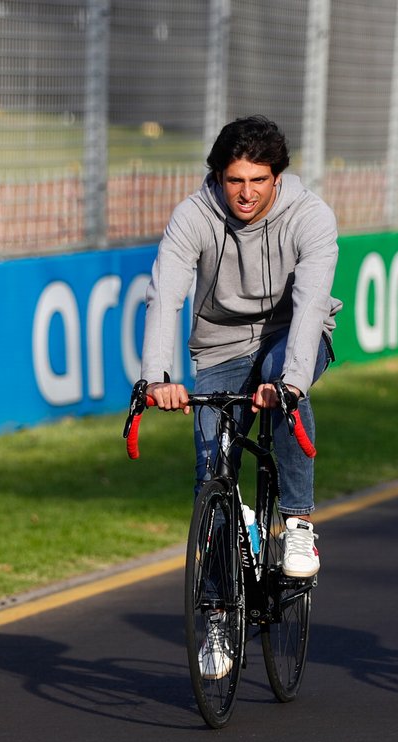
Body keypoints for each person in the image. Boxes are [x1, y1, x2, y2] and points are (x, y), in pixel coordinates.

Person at [140, 115, 340, 676]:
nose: (246, 193)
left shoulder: (311, 216)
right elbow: (165, 296)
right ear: (217, 177)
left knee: (283, 388)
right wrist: (158, 377)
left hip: (289, 339)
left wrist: (291, 382)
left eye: (258, 180)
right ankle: (220, 616)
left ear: (278, 177)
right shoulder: (193, 216)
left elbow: (309, 309)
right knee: (213, 475)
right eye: (234, 181)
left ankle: (297, 525)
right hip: (220, 347)